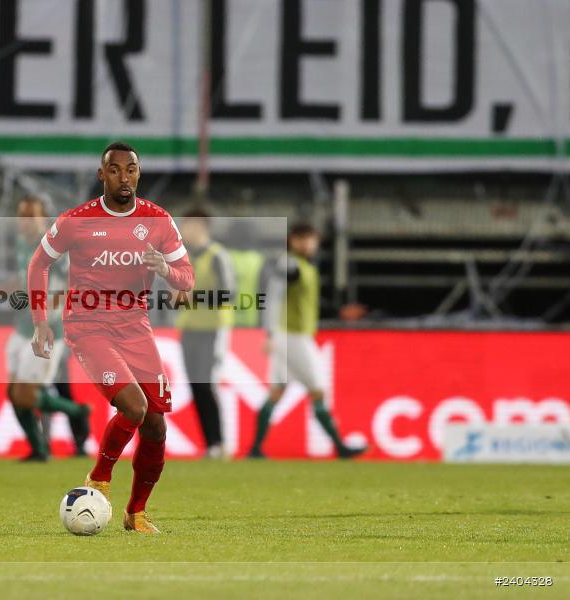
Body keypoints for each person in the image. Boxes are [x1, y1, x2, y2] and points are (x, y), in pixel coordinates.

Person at [27, 142, 194, 533]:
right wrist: (40, 321)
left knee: (156, 426)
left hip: (135, 326)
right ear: (102, 175)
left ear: (139, 173)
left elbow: (186, 279)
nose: (124, 177)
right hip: (88, 326)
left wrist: (165, 270)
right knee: (134, 407)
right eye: (115, 170)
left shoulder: (158, 220)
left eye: (131, 169)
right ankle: (99, 478)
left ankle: (136, 513)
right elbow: (39, 264)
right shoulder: (76, 221)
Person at [249, 223, 366, 460]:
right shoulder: (290, 264)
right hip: (292, 336)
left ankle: (255, 449)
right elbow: (273, 297)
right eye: (301, 238)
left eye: (310, 239)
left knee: (277, 391)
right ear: (291, 240)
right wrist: (269, 333)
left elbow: (305, 302)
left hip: (289, 336)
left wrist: (337, 311)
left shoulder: (305, 267)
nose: (307, 244)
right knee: (318, 390)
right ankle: (340, 447)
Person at [6, 196, 89, 462]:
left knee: (31, 392)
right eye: (22, 216)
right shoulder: (22, 244)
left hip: (49, 328)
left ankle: (76, 416)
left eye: (31, 216)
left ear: (43, 219)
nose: (26, 222)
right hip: (23, 327)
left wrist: (57, 303)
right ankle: (40, 448)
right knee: (15, 391)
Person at [175, 209, 236, 459]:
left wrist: (194, 297)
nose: (183, 230)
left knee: (207, 384)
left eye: (187, 225)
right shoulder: (184, 258)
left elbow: (229, 294)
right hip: (189, 329)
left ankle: (220, 443)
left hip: (213, 329)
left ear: (201, 226)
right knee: (196, 387)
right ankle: (211, 445)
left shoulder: (218, 255)